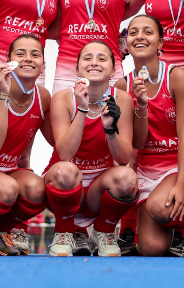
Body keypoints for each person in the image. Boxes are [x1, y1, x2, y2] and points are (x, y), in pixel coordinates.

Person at [117, 15, 184, 257]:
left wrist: (182, 184)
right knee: (152, 249)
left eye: (147, 32)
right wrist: (140, 106)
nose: (139, 36)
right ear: (126, 44)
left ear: (161, 43)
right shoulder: (122, 86)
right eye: (133, 32)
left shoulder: (178, 77)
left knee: (160, 206)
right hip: (149, 169)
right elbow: (136, 144)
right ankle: (173, 229)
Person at [45, 40, 137, 257]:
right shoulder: (62, 98)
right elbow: (65, 154)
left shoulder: (122, 99)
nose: (94, 63)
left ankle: (103, 231)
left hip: (100, 188)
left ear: (113, 69)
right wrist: (82, 111)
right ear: (77, 68)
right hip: (64, 184)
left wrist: (110, 129)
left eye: (102, 58)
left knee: (127, 178)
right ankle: (64, 231)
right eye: (87, 58)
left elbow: (124, 158)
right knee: (65, 171)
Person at [0, 34, 51, 255]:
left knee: (38, 188)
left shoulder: (44, 96)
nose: (28, 59)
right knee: (8, 189)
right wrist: (5, 93)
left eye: (35, 55)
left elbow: (46, 140)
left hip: (10, 169)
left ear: (44, 65)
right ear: (9, 60)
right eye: (20, 54)